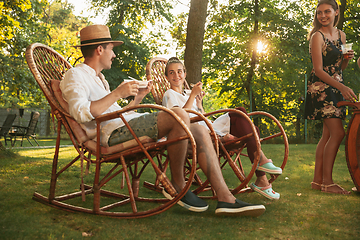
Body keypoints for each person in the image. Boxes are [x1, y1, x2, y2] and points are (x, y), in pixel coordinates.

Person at [60, 24, 266, 216]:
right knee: (180, 114)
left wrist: (138, 98)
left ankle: (226, 198)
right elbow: (80, 112)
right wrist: (117, 93)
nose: (113, 54)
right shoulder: (75, 75)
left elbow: (115, 113)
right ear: (99, 50)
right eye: (111, 49)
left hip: (126, 125)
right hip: (113, 135)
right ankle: (178, 185)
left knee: (199, 129)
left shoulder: (99, 79)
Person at [162, 57, 283, 200]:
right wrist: (194, 95)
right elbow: (180, 118)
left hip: (207, 126)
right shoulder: (169, 94)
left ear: (185, 73)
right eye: (172, 73)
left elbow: (200, 115)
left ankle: (261, 173)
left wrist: (199, 103)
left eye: (179, 71)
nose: (177, 76)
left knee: (244, 118)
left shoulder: (187, 94)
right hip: (198, 135)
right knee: (244, 120)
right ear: (167, 77)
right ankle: (261, 171)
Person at [304, 0, 357, 194]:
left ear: (336, 12)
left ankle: (318, 181)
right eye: (319, 13)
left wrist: (345, 60)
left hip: (336, 84)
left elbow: (339, 68)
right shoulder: (316, 36)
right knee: (338, 133)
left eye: (327, 11)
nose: (323, 16)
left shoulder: (341, 35)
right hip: (322, 87)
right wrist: (342, 87)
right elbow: (318, 70)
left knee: (327, 135)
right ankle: (328, 182)